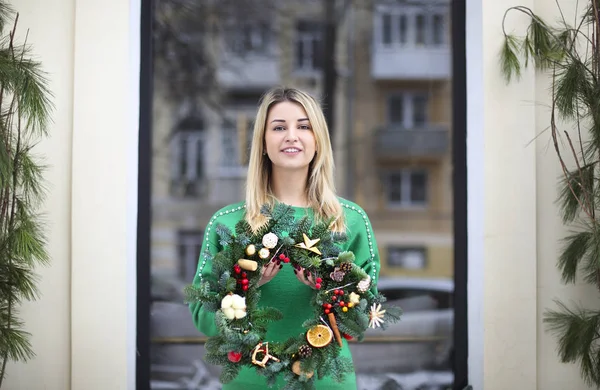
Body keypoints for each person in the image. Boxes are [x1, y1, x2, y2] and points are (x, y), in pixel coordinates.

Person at [189, 87, 381, 389]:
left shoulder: (349, 221)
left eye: (303, 126)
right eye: (279, 127)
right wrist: (246, 286)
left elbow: (363, 318)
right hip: (250, 382)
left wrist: (327, 291)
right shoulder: (227, 223)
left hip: (325, 382)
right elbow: (202, 316)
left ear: (317, 140)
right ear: (263, 143)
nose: (291, 135)